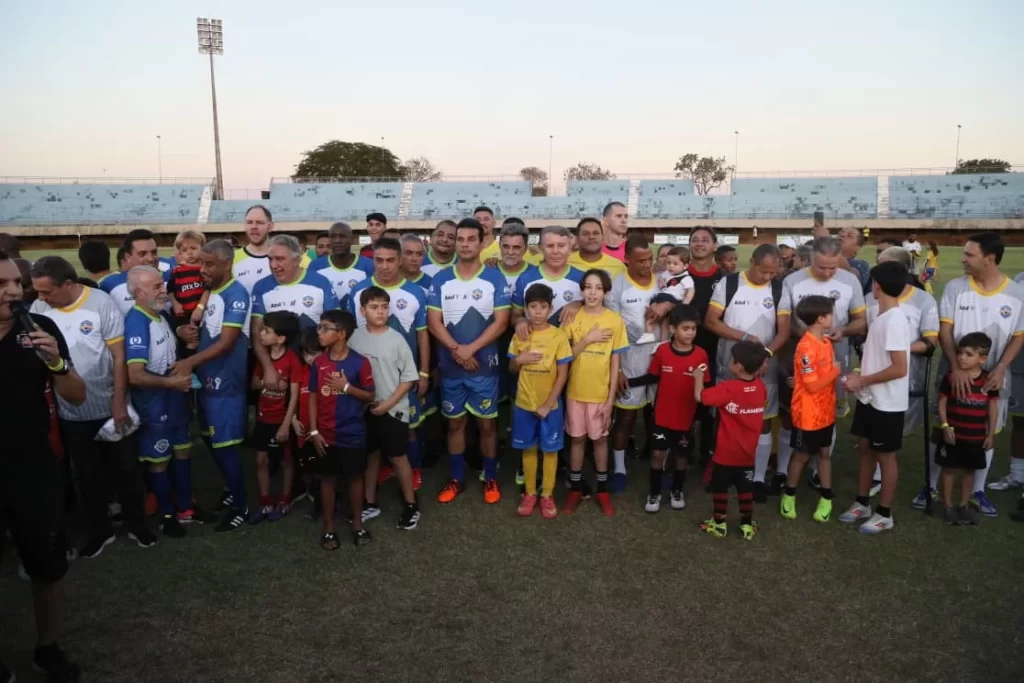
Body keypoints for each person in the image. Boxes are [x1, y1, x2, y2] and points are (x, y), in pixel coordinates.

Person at [0, 248, 87, 682]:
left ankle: (48, 647)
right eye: (3, 285)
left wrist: (55, 361)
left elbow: (76, 394)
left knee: (47, 565)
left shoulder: (40, 327)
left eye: (17, 282)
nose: (15, 291)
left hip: (33, 466)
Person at [29, 256, 154, 557]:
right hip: (70, 411)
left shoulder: (100, 303)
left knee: (126, 470)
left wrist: (118, 401)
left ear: (68, 284)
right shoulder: (37, 310)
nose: (41, 298)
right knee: (87, 475)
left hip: (109, 407)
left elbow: (119, 356)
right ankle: (101, 531)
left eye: (46, 291)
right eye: (37, 292)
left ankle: (138, 524)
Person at [928, 232, 1024, 517]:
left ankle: (977, 491)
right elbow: (945, 329)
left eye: (970, 254)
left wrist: (1001, 367)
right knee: (943, 425)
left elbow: (1019, 336)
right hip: (954, 369)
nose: (963, 259)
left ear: (989, 259)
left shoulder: (1016, 293)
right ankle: (931, 487)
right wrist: (956, 368)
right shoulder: (957, 287)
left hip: (993, 376)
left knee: (987, 430)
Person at [427, 218, 510, 504]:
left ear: (481, 241)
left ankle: (490, 477)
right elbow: (433, 321)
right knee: (455, 424)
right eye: (459, 239)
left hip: (485, 367)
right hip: (451, 367)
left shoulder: (494, 279)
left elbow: (501, 323)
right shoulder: (441, 279)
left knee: (487, 426)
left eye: (470, 239)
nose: (463, 244)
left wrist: (470, 348)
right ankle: (457, 478)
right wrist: (456, 349)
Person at [171, 239, 251, 532]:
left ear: (227, 264)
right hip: (206, 383)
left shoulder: (236, 293)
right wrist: (190, 334)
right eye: (201, 263)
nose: (202, 269)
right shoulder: (211, 292)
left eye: (209, 264)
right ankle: (232, 488)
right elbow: (211, 334)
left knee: (226, 447)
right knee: (210, 440)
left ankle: (241, 505)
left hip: (226, 385)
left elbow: (228, 341)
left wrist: (190, 362)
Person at [775, 236, 866, 492]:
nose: (826, 272)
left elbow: (861, 320)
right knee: (790, 414)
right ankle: (782, 469)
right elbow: (784, 321)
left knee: (829, 414)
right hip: (798, 357)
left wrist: (844, 330)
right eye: (821, 267)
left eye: (832, 267)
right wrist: (807, 334)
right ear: (810, 258)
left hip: (834, 359)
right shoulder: (793, 281)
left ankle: (817, 470)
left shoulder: (850, 281)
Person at [705, 244, 789, 501]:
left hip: (764, 369)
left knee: (762, 420)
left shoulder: (778, 287)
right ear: (751, 262)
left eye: (772, 272)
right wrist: (744, 337)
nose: (768, 277)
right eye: (764, 271)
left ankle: (759, 478)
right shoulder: (729, 284)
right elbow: (710, 321)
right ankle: (723, 472)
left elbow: (784, 330)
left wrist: (766, 355)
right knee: (727, 418)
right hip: (730, 365)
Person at [348, 237, 430, 501]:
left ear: (400, 260)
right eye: (378, 260)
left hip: (403, 379)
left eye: (390, 260)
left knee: (409, 428)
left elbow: (422, 335)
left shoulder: (416, 292)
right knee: (369, 432)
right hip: (366, 382)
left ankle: (412, 470)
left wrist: (424, 372)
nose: (384, 266)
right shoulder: (358, 291)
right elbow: (350, 335)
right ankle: (379, 476)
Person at [839, 261, 912, 535]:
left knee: (886, 457)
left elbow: (899, 368)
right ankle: (862, 503)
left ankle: (884, 513)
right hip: (870, 399)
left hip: (887, 403)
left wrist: (861, 380)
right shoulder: (881, 316)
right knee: (865, 450)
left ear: (876, 287)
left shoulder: (894, 320)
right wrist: (861, 374)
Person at [124, 266, 195, 538]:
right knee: (159, 460)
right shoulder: (136, 322)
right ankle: (167, 516)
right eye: (156, 286)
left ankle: (186, 508)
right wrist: (169, 382)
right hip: (154, 404)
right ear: (139, 293)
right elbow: (135, 374)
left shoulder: (159, 314)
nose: (164, 289)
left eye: (162, 284)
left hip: (174, 397)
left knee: (183, 450)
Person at [348, 286, 422, 531]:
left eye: (384, 307)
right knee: (370, 456)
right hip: (364, 410)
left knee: (398, 456)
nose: (380, 312)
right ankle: (370, 502)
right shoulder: (355, 338)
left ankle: (411, 504)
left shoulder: (396, 338)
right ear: (362, 310)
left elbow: (409, 378)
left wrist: (388, 404)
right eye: (373, 307)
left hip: (393, 409)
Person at [626, 305, 707, 513]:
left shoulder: (701, 355)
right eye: (685, 328)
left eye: (693, 329)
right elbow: (653, 376)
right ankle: (654, 493)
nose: (690, 333)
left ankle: (676, 490)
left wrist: (698, 418)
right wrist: (629, 382)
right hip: (662, 415)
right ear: (672, 329)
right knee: (658, 454)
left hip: (686, 418)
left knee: (681, 456)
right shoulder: (662, 351)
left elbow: (704, 390)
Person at [307, 309, 375, 548]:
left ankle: (357, 525)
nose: (320, 332)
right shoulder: (319, 363)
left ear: (341, 334)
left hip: (353, 434)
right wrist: (314, 431)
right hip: (325, 435)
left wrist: (346, 387)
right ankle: (329, 528)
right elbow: (313, 397)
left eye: (325, 328)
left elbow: (369, 395)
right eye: (319, 327)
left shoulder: (360, 362)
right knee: (327, 480)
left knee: (355, 479)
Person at [563, 269, 627, 515]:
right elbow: (566, 356)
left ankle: (602, 489)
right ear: (581, 290)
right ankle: (576, 488)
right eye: (588, 287)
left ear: (606, 292)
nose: (592, 292)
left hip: (600, 394)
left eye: (598, 288)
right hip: (575, 392)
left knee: (600, 440)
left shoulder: (614, 320)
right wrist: (588, 338)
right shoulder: (573, 317)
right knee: (577, 439)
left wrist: (610, 399)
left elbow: (615, 362)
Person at [693, 341, 770, 540]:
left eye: (732, 360)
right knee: (746, 491)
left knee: (721, 491)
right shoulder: (760, 387)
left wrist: (698, 376)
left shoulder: (728, 388)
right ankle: (746, 526)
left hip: (725, 454)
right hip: (747, 454)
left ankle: (719, 524)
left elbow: (700, 396)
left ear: (739, 367)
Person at [508, 283, 572, 519]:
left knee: (551, 451)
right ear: (526, 309)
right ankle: (530, 493)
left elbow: (563, 373)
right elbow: (512, 368)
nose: (537, 312)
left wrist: (548, 404)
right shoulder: (521, 334)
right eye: (533, 307)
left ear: (550, 308)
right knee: (529, 448)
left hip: (550, 406)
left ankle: (547, 495)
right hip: (525, 403)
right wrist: (520, 360)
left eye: (542, 307)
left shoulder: (558, 336)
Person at [780, 295, 841, 523]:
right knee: (802, 455)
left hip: (826, 412)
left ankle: (826, 497)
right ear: (820, 318)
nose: (833, 317)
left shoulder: (825, 342)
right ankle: (789, 494)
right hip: (807, 414)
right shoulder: (806, 347)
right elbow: (813, 385)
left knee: (824, 453)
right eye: (830, 314)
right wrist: (835, 371)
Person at [608, 235, 660, 492]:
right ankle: (618, 468)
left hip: (660, 360)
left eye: (650, 259)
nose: (646, 264)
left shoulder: (662, 281)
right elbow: (611, 330)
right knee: (626, 418)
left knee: (657, 418)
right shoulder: (617, 287)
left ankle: (658, 464)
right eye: (640, 260)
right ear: (626, 259)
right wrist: (616, 369)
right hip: (630, 362)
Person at [251, 234, 339, 386]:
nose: (273, 265)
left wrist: (325, 363)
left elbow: (335, 326)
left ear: (297, 260)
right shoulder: (261, 287)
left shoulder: (320, 282)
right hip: (279, 373)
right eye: (270, 259)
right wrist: (268, 368)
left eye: (280, 259)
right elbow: (256, 332)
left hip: (314, 366)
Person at [934, 332, 998, 526]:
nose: (961, 357)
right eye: (960, 353)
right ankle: (948, 507)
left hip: (975, 436)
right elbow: (942, 402)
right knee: (949, 470)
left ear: (983, 358)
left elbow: (992, 407)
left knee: (969, 471)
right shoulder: (951, 377)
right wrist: (945, 426)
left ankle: (963, 505)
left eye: (968, 354)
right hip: (953, 435)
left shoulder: (989, 380)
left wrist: (990, 433)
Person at [250, 311, 303, 523]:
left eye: (266, 331)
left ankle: (284, 499)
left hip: (282, 421)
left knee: (286, 461)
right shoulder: (263, 358)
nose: (261, 334)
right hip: (263, 419)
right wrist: (266, 383)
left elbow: (295, 396)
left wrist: (284, 425)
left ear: (281, 338)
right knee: (260, 460)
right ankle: (265, 502)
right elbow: (254, 383)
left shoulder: (292, 359)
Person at [683, 226, 724, 467]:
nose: (699, 244)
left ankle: (707, 451)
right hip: (682, 348)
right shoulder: (676, 274)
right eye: (695, 240)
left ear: (714, 245)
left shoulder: (725, 278)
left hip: (713, 349)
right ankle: (681, 450)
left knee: (709, 402)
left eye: (705, 240)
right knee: (683, 401)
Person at [511, 225, 584, 333]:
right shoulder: (525, 278)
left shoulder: (582, 278)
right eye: (550, 246)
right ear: (541, 248)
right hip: (535, 345)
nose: (555, 251)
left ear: (570, 248)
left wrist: (580, 303)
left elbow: (597, 309)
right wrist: (520, 321)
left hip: (572, 346)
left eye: (561, 246)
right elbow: (515, 315)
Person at [232, 205, 311, 296]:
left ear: (270, 226)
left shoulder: (297, 259)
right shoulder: (231, 259)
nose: (254, 226)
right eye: (249, 222)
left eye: (260, 222)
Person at [99, 229, 168, 315]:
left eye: (154, 252)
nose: (150, 258)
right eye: (142, 254)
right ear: (128, 257)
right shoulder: (109, 285)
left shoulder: (172, 278)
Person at [636, 245, 695, 344]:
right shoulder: (666, 273)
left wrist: (685, 304)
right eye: (668, 262)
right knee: (663, 321)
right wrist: (661, 283)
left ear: (685, 266)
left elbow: (690, 291)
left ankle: (655, 337)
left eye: (675, 263)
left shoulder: (686, 278)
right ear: (657, 258)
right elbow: (662, 280)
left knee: (655, 314)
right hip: (663, 295)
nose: (671, 266)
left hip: (670, 298)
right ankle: (659, 340)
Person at [309, 221, 375, 311]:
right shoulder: (315, 266)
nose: (337, 241)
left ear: (351, 239)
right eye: (333, 237)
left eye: (342, 236)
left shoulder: (368, 265)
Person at [167, 230, 211, 354]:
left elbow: (208, 288)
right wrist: (175, 303)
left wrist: (200, 307)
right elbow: (170, 289)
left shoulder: (204, 269)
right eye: (185, 250)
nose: (189, 252)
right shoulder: (177, 271)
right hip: (182, 314)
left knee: (199, 339)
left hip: (198, 312)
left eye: (193, 248)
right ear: (180, 252)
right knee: (185, 340)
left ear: (202, 248)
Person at [838, 226, 871, 293]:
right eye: (840, 233)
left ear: (857, 249)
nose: (842, 235)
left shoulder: (860, 264)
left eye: (849, 236)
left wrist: (832, 250)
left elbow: (853, 279)